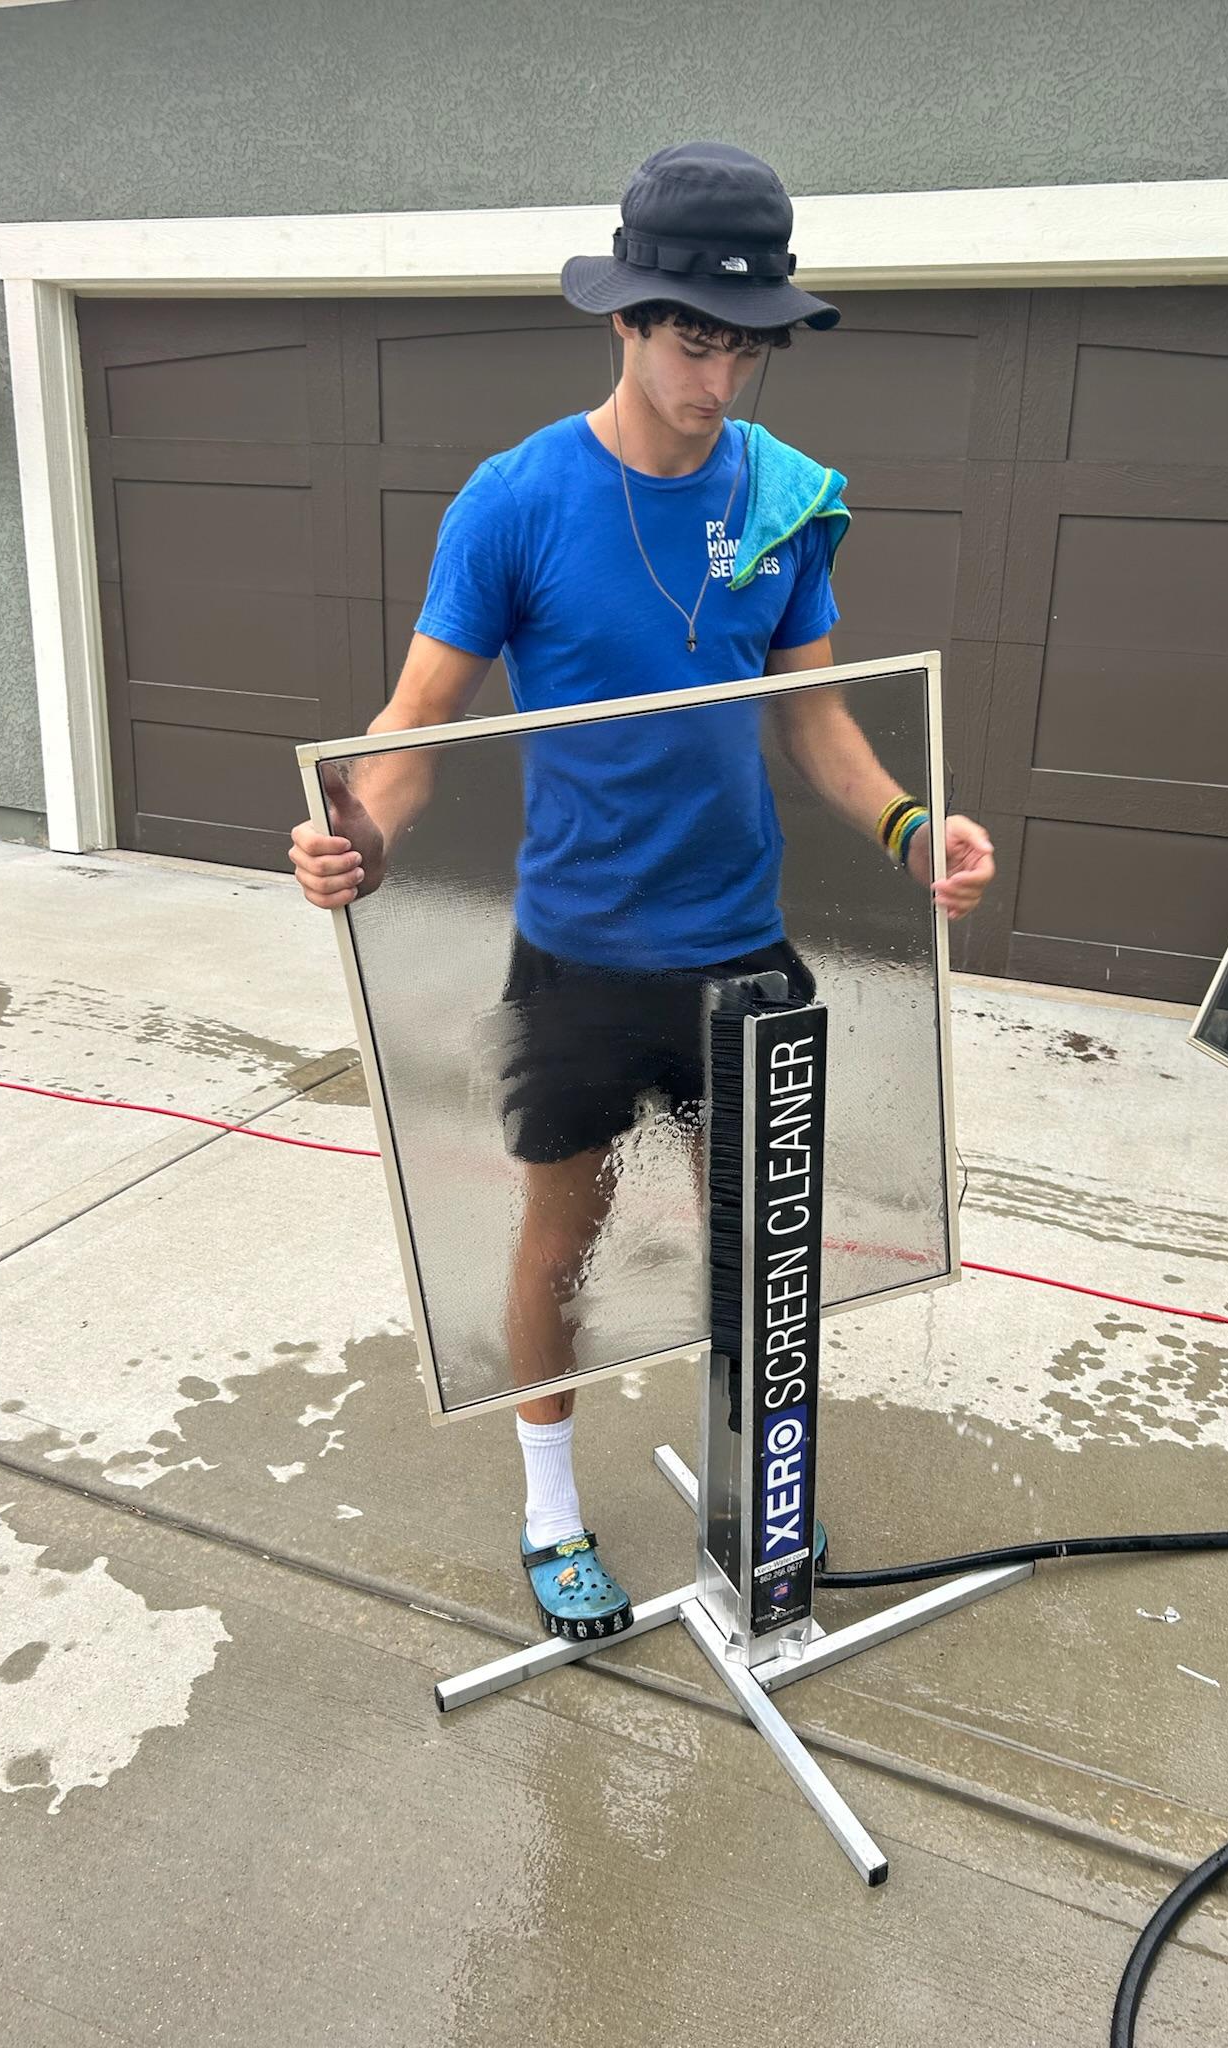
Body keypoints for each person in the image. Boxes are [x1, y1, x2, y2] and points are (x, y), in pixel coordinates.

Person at [289, 141, 995, 1640]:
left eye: (747, 342)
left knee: (763, 1246)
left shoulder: (790, 503)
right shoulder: (514, 501)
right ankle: (550, 1512)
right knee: (566, 1226)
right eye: (693, 336)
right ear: (623, 319)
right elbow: (414, 729)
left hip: (741, 948)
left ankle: (759, 1500)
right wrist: (357, 840)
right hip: (581, 955)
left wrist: (914, 830)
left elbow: (815, 719)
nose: (721, 375)